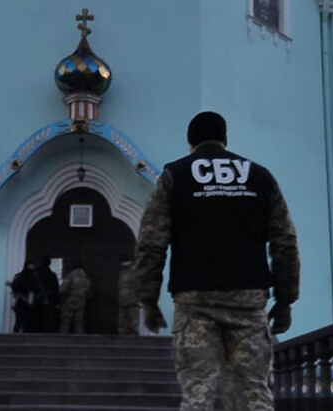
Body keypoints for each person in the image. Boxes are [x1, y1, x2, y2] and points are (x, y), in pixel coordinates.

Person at [133, 111, 300, 411]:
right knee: (253, 390)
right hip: (248, 299)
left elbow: (151, 243)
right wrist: (286, 300)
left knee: (198, 391)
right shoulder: (260, 176)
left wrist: (147, 299)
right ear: (225, 140)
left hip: (195, 298)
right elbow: (284, 241)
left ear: (190, 144)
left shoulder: (175, 175)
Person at [59, 262, 91, 334]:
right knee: (79, 322)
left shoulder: (71, 276)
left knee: (66, 321)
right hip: (81, 301)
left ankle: (63, 337)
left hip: (71, 300)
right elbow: (88, 291)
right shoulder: (85, 277)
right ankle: (79, 338)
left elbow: (63, 289)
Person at [8, 260, 36, 333]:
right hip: (21, 301)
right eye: (31, 265)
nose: (32, 267)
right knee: (19, 321)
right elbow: (16, 288)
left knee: (27, 323)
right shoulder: (20, 276)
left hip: (29, 302)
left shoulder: (33, 276)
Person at [35, 256, 62, 332]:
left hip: (36, 300)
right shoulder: (52, 275)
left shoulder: (35, 274)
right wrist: (57, 302)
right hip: (49, 300)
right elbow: (55, 289)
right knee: (48, 319)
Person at [117, 257, 140, 335]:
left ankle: (126, 332)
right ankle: (131, 332)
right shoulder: (132, 272)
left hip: (127, 299)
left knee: (126, 318)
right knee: (131, 318)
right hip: (130, 298)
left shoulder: (123, 272)